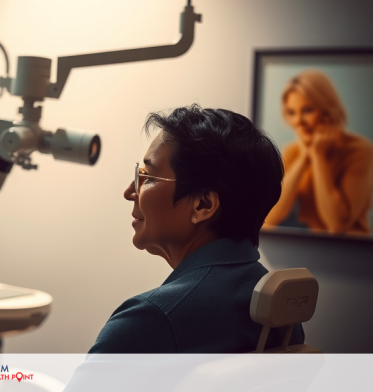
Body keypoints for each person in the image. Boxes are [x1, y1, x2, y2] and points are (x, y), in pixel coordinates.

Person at [89, 105, 303, 353]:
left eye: (148, 177)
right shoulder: (280, 309)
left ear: (203, 205)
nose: (130, 192)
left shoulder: (150, 320)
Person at [264, 70, 373, 235]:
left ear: (327, 111)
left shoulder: (359, 150)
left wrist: (318, 156)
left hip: (352, 254)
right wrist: (305, 156)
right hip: (307, 248)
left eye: (307, 110)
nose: (298, 121)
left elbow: (337, 225)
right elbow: (269, 217)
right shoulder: (293, 151)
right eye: (292, 113)